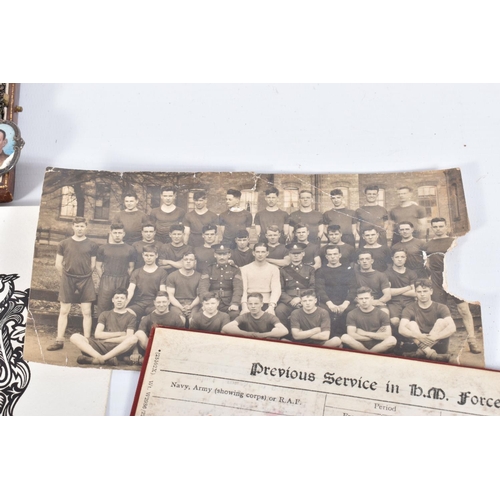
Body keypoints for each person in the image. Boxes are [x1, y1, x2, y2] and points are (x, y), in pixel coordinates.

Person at [425, 217, 481, 354]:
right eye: (435, 226)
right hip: (437, 280)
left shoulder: (454, 241)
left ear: (446, 227)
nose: (438, 229)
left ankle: (472, 340)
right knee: (439, 312)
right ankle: (440, 343)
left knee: (463, 310)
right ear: (432, 228)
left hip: (453, 279)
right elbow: (427, 263)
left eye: (441, 226)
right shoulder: (429, 244)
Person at [48, 217, 99, 352]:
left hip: (85, 279)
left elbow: (93, 265)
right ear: (73, 227)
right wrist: (66, 278)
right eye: (77, 226)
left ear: (86, 227)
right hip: (68, 278)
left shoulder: (92, 244)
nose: (79, 228)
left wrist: (83, 275)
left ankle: (87, 341)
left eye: (82, 226)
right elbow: (58, 264)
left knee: (87, 312)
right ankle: (59, 340)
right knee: (64, 310)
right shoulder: (64, 243)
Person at [70, 288, 138, 366]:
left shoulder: (131, 316)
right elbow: (98, 334)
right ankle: (102, 358)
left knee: (134, 338)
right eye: (117, 298)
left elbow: (128, 337)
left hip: (119, 348)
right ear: (113, 300)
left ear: (126, 301)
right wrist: (120, 333)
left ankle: (98, 359)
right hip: (101, 346)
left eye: (122, 298)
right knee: (74, 336)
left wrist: (108, 340)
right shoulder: (105, 314)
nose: (119, 300)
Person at [398, 279, 456, 362]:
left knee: (441, 322)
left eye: (425, 291)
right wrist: (419, 336)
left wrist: (435, 337)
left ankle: (421, 353)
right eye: (419, 292)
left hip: (437, 343)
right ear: (415, 293)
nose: (422, 294)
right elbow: (401, 329)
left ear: (431, 291)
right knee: (411, 324)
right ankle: (432, 355)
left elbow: (452, 328)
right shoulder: (409, 308)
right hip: (418, 342)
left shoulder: (441, 307)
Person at [315, 245, 357, 338]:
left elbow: (353, 288)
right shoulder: (321, 271)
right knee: (323, 312)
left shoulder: (348, 270)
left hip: (345, 301)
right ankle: (329, 338)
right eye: (330, 254)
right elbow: (320, 289)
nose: (333, 257)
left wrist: (345, 304)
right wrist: (330, 304)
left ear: (340, 255)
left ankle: (348, 339)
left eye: (335, 254)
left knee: (351, 312)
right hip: (327, 301)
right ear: (326, 257)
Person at [133, 291, 185, 363]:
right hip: (152, 346)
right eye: (158, 302)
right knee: (139, 333)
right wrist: (135, 352)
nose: (161, 305)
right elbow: (138, 337)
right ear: (154, 302)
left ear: (168, 302)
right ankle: (156, 357)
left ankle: (151, 358)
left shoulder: (176, 317)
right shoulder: (148, 318)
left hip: (168, 347)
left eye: (164, 302)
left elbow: (182, 337)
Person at [95, 223, 135, 316]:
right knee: (103, 304)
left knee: (121, 304)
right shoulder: (103, 248)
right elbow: (98, 266)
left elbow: (131, 267)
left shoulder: (130, 249)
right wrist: (104, 278)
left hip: (123, 279)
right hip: (107, 279)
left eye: (120, 233)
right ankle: (101, 327)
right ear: (111, 233)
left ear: (123, 234)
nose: (117, 235)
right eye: (115, 233)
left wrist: (126, 278)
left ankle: (117, 328)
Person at [341, 287, 396, 353]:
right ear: (357, 300)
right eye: (361, 299)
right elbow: (351, 334)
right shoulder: (352, 314)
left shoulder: (382, 314)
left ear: (372, 299)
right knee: (344, 337)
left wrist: (364, 333)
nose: (364, 301)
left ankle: (368, 353)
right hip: (359, 344)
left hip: (378, 344)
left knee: (392, 339)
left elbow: (387, 335)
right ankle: (370, 353)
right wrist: (375, 335)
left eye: (366, 298)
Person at [198, 243, 243, 320]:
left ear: (229, 255)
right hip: (211, 302)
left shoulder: (235, 269)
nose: (222, 257)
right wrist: (205, 303)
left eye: (224, 254)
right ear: (215, 255)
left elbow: (238, 288)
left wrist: (235, 303)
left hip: (228, 304)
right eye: (219, 254)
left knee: (234, 314)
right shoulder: (209, 269)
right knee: (201, 315)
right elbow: (203, 287)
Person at [275, 242, 315, 329]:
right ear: (289, 254)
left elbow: (313, 287)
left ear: (303, 254)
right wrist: (290, 300)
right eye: (293, 253)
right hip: (288, 301)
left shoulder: (310, 269)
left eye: (298, 253)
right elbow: (280, 289)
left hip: (305, 299)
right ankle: (284, 335)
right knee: (280, 310)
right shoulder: (283, 270)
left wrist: (301, 298)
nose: (296, 256)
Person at [125, 244, 168, 320]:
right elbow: (130, 290)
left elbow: (162, 291)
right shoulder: (137, 272)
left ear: (156, 255)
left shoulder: (162, 272)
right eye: (146, 255)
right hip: (138, 304)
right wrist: (124, 305)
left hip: (153, 304)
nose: (149, 258)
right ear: (143, 255)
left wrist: (160, 306)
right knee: (127, 314)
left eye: (151, 255)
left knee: (158, 317)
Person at [222, 292, 288, 339]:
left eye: (256, 303)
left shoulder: (270, 317)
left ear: (262, 304)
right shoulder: (245, 316)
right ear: (247, 305)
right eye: (250, 304)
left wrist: (263, 335)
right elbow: (225, 328)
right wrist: (247, 334)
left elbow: (284, 331)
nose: (253, 306)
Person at [240, 242, 281, 315]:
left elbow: (276, 289)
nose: (260, 254)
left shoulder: (274, 269)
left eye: (263, 252)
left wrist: (271, 306)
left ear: (267, 253)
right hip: (249, 303)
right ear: (253, 253)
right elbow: (243, 289)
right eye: (257, 252)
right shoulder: (244, 269)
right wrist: (244, 306)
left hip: (266, 302)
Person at [384, 248, 417, 338]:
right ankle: (398, 342)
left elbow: (414, 293)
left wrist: (396, 291)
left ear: (406, 258)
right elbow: (388, 292)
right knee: (395, 321)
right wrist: (407, 287)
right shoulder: (386, 274)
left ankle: (409, 342)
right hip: (394, 302)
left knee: (411, 321)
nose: (399, 259)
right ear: (392, 258)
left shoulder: (411, 273)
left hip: (409, 302)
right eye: (397, 257)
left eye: (402, 257)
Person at [165, 251, 201, 323]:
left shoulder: (199, 276)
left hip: (193, 304)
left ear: (195, 262)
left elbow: (200, 295)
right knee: (180, 320)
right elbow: (170, 295)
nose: (188, 262)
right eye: (185, 259)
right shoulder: (172, 276)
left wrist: (190, 306)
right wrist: (181, 307)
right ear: (182, 261)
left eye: (191, 260)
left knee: (193, 320)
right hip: (177, 304)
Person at [354, 250, 391, 315]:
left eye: (367, 259)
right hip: (360, 303)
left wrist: (373, 303)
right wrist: (362, 303)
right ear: (358, 262)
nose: (365, 261)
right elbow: (352, 295)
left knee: (385, 312)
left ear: (372, 261)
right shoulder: (354, 276)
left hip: (377, 303)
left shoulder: (381, 275)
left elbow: (387, 295)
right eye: (362, 259)